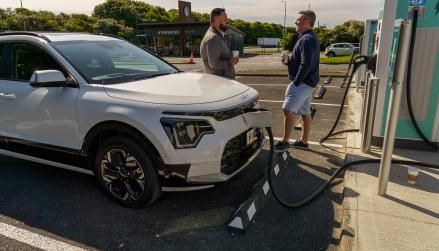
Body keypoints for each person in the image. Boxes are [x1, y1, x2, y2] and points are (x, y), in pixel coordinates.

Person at [274, 10, 320, 152]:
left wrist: (296, 82)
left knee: (287, 109)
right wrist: (289, 62)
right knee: (305, 111)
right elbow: (304, 61)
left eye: (298, 20)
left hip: (303, 83)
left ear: (306, 22)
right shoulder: (308, 37)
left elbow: (306, 64)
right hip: (308, 82)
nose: (295, 22)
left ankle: (285, 141)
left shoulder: (306, 39)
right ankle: (304, 141)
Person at [200, 8, 238, 79]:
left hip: (223, 82)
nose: (227, 23)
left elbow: (223, 56)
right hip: (220, 84)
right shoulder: (213, 38)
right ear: (217, 21)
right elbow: (214, 64)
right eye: (225, 20)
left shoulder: (219, 35)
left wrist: (231, 58)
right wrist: (230, 62)